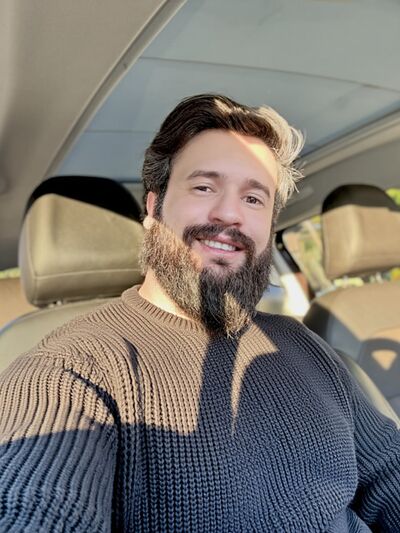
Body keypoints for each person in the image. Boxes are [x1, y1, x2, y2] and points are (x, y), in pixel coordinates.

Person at [0, 94, 399, 533]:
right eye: (204, 187)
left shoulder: (301, 342)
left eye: (254, 198)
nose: (229, 213)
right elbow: (37, 507)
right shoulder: (70, 370)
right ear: (153, 208)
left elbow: (389, 474)